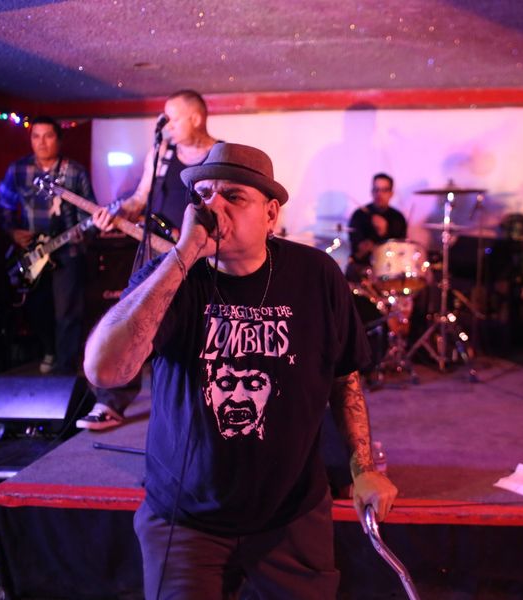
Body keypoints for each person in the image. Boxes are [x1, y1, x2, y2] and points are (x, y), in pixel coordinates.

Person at [83, 142, 398, 599]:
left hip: (291, 513)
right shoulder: (169, 277)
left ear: (270, 214)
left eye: (234, 196)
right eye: (204, 194)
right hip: (185, 518)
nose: (214, 207)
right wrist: (183, 255)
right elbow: (105, 371)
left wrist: (362, 468)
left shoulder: (316, 275)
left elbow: (343, 377)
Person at [79, 89, 218, 429]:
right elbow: (140, 198)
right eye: (164, 118)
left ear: (196, 118)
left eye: (173, 118)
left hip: (202, 260)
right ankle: (110, 401)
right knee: (135, 319)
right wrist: (117, 213)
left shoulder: (220, 155)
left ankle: (196, 407)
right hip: (157, 256)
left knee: (196, 331)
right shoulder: (161, 152)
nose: (167, 125)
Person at [0, 115, 94, 375]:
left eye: (48, 136)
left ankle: (65, 370)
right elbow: (4, 205)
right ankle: (50, 350)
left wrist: (84, 233)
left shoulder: (74, 171)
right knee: (36, 308)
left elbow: (90, 213)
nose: (41, 142)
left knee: (68, 313)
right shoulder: (18, 170)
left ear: (59, 140)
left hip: (68, 251)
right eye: (36, 136)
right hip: (32, 252)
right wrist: (12, 232)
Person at [346, 173, 407, 282]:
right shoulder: (359, 215)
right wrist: (376, 235)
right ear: (371, 192)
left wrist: (384, 233)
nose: (379, 194)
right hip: (362, 269)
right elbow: (358, 253)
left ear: (391, 193)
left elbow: (400, 252)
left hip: (390, 271)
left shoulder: (398, 218)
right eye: (376, 190)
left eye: (384, 190)